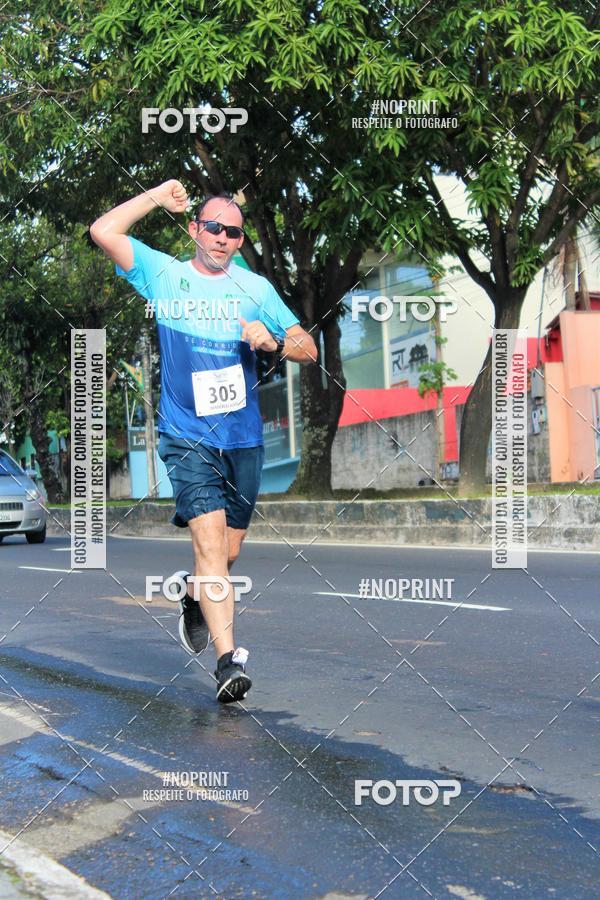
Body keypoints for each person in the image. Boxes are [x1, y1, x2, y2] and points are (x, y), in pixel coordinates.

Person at [90, 180, 317, 702]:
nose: (221, 237)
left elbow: (308, 347)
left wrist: (274, 342)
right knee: (211, 546)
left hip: (242, 439)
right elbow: (103, 230)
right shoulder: (164, 276)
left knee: (227, 553)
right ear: (195, 229)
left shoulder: (256, 289)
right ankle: (228, 662)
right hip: (187, 436)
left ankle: (194, 595)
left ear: (240, 241)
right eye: (213, 227)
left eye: (232, 232)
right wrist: (156, 197)